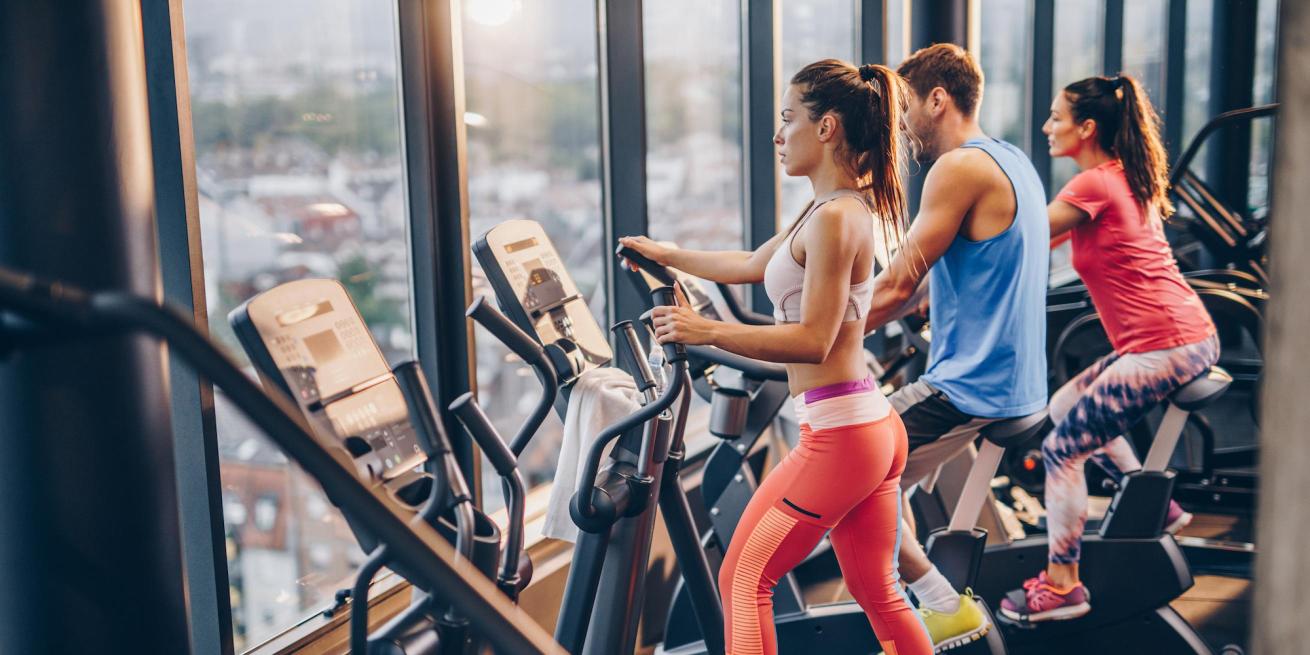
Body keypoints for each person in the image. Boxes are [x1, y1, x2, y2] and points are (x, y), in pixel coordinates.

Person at [623, 59, 933, 655]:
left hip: (841, 433)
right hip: (862, 424)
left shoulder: (838, 219)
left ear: (827, 129)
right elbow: (749, 264)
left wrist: (703, 331)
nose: (777, 134)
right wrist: (665, 253)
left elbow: (812, 339)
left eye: (789, 119)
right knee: (879, 592)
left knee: (743, 579)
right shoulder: (829, 209)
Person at [999, 73, 1219, 624]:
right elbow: (1032, 244)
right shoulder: (1121, 176)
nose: (1048, 127)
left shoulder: (1094, 184)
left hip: (1166, 343)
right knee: (1065, 407)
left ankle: (1063, 584)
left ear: (1087, 127)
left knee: (1061, 450)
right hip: (1178, 335)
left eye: (1057, 118)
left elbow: (1018, 237)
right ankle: (1155, 505)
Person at [859, 43, 1050, 651]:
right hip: (1012, 379)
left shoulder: (957, 168)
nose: (903, 126)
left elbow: (894, 285)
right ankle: (911, 604)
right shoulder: (1012, 158)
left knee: (847, 469)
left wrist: (805, 342)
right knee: (883, 480)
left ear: (937, 99)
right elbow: (961, 271)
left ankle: (939, 606)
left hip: (972, 386)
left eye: (907, 108)